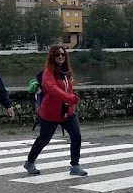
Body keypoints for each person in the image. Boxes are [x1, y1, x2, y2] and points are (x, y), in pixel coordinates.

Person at [23, 45, 86, 176]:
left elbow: (68, 89)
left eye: (63, 54)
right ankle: (29, 162)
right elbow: (52, 89)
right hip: (50, 113)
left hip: (67, 112)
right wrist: (70, 98)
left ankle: (75, 165)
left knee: (76, 135)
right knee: (44, 139)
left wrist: (71, 103)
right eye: (57, 54)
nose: (61, 56)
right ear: (52, 57)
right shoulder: (48, 73)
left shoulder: (66, 72)